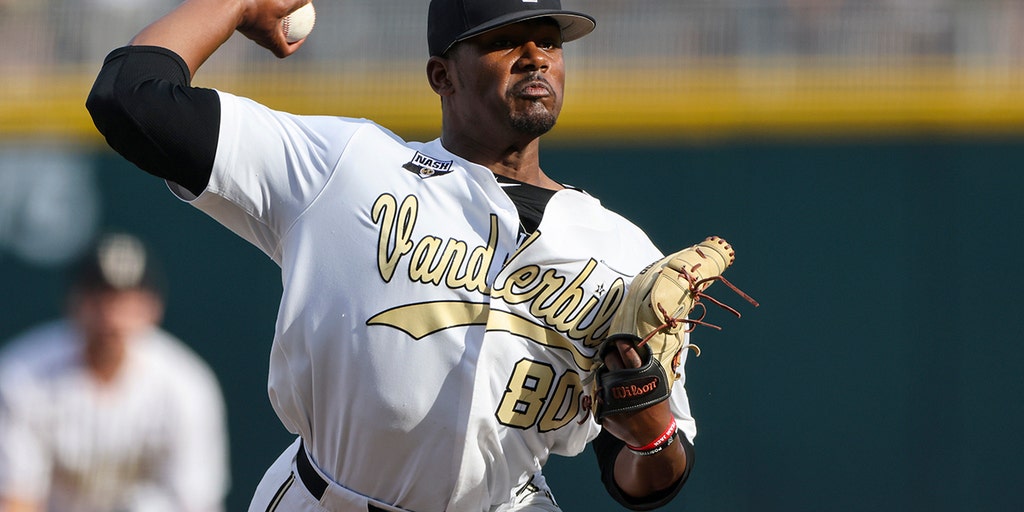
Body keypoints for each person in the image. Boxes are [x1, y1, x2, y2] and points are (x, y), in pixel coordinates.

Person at [85, 0, 697, 510]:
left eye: (549, 41)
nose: (536, 56)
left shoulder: (622, 251)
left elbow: (646, 481)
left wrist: (651, 438)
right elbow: (130, 95)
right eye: (505, 40)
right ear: (442, 75)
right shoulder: (348, 166)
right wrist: (238, 3)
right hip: (329, 497)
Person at [0, 232, 230, 512]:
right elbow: (15, 499)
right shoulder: (23, 375)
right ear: (74, 303)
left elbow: (197, 501)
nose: (113, 318)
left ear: (153, 308)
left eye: (127, 302)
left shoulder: (186, 383)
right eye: (100, 300)